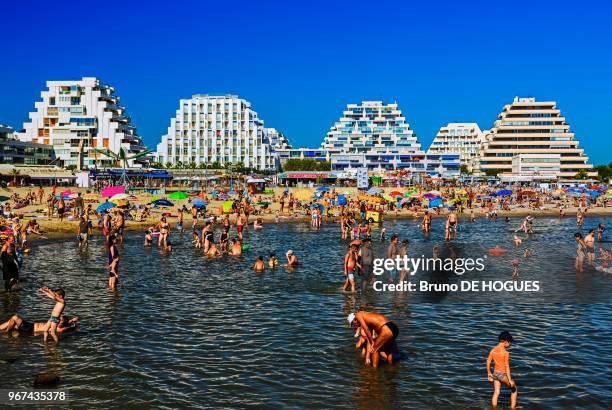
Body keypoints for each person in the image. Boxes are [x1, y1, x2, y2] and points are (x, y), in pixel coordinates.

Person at [486, 331, 518, 408]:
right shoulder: (505, 353)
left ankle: (494, 408)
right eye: (510, 343)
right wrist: (510, 380)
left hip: (495, 374)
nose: (510, 345)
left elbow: (488, 362)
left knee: (496, 392)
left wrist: (489, 373)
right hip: (502, 375)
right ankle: (513, 408)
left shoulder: (493, 350)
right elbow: (507, 367)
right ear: (506, 342)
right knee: (514, 389)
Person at [0, 314, 79, 335]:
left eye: (60, 321)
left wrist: (73, 326)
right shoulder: (57, 323)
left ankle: (8, 332)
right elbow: (65, 322)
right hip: (30, 325)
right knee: (10, 322)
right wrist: (72, 320)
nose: (58, 320)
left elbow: (67, 328)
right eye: (59, 319)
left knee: (14, 317)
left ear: (62, 324)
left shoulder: (59, 329)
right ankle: (5, 330)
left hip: (30, 329)